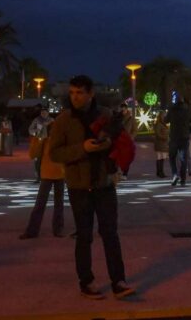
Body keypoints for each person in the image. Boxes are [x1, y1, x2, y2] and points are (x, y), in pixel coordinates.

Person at [48, 75, 135, 300]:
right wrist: (83, 148)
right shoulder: (64, 120)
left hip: (104, 184)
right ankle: (86, 281)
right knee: (84, 236)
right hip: (79, 186)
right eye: (72, 93)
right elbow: (55, 153)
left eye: (80, 93)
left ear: (91, 94)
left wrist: (107, 145)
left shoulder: (105, 115)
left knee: (110, 234)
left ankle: (118, 281)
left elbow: (119, 140)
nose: (75, 97)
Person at [20, 112, 67, 240]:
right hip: (48, 173)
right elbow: (33, 154)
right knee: (42, 203)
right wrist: (39, 139)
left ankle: (56, 229)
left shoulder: (62, 138)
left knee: (57, 204)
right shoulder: (44, 137)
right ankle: (34, 230)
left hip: (59, 173)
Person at [165, 97, 191, 187]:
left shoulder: (172, 110)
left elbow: (166, 120)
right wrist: (189, 131)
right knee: (183, 159)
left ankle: (175, 174)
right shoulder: (188, 110)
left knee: (172, 157)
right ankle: (183, 180)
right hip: (184, 138)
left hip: (174, 137)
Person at [28, 107, 53, 182]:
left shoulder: (51, 120)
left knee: (49, 160)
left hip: (49, 142)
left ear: (48, 113)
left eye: (45, 112)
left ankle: (48, 176)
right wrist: (36, 131)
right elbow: (30, 130)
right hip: (39, 142)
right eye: (42, 113)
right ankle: (39, 176)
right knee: (38, 160)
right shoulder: (37, 120)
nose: (44, 114)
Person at [152, 113, 169, 178]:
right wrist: (164, 137)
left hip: (163, 144)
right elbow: (158, 133)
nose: (164, 117)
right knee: (160, 158)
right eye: (163, 116)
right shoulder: (159, 124)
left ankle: (160, 172)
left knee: (161, 158)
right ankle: (160, 172)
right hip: (160, 144)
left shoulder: (163, 124)